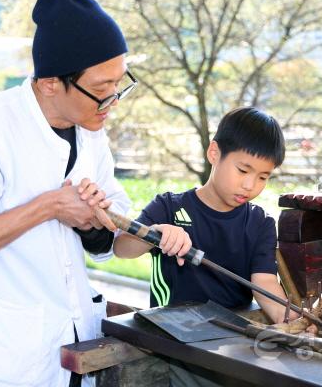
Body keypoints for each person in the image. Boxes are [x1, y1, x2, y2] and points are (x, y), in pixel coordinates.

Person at [0, 0, 133, 386]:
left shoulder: (90, 132)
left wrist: (93, 222)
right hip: (5, 361)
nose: (113, 100)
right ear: (51, 83)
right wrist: (49, 206)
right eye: (102, 88)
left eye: (120, 84)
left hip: (75, 347)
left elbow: (110, 234)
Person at [114, 107, 295, 324]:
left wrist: (291, 320)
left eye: (263, 177)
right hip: (170, 335)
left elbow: (264, 281)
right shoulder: (169, 207)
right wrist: (155, 233)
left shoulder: (260, 223)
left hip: (232, 337)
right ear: (214, 153)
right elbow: (121, 249)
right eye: (243, 171)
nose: (250, 185)